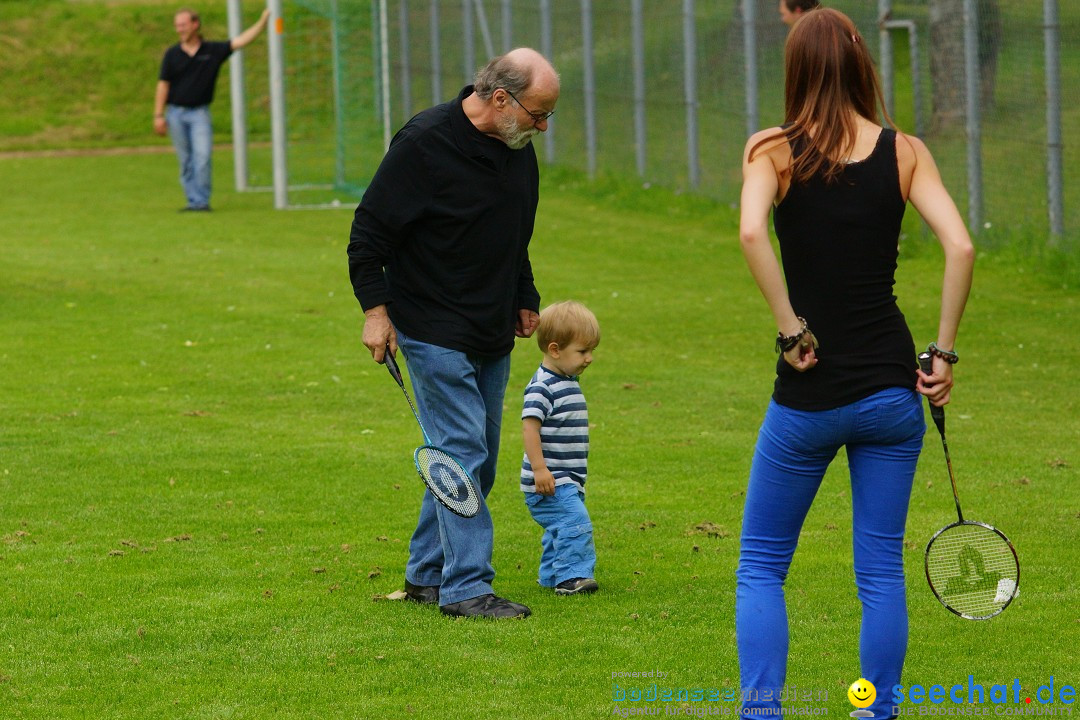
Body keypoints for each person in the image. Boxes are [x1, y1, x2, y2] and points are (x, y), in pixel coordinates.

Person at [736, 9, 974, 718]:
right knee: (878, 571)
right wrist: (943, 349)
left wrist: (790, 329)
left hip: (806, 400)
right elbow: (960, 247)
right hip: (891, 394)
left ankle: (763, 711)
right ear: (862, 65)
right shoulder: (905, 151)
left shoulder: (771, 149)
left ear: (796, 69)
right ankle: (875, 710)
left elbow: (751, 230)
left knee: (760, 568)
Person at [347, 48, 560, 620]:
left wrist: (524, 297)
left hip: (490, 324)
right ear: (499, 99)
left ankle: (425, 575)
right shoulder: (424, 144)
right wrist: (376, 310)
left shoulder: (519, 150)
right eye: (538, 114)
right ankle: (467, 587)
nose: (542, 127)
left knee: (478, 458)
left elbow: (515, 231)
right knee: (463, 450)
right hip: (431, 322)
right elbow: (368, 233)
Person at [153, 7, 271, 211]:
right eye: (177, 25)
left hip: (199, 113)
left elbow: (241, 41)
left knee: (203, 156)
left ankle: (202, 201)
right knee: (186, 160)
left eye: (183, 24)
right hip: (176, 114)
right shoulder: (172, 54)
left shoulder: (212, 51)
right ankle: (194, 200)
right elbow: (163, 85)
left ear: (195, 24)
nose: (179, 29)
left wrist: (263, 22)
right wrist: (158, 115)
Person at [520, 301, 601, 597]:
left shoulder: (567, 380)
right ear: (555, 350)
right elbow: (530, 427)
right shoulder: (542, 387)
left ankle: (551, 574)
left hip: (569, 478)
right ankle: (571, 577)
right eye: (582, 351)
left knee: (559, 528)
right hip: (550, 479)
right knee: (574, 522)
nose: (589, 358)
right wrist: (540, 469)